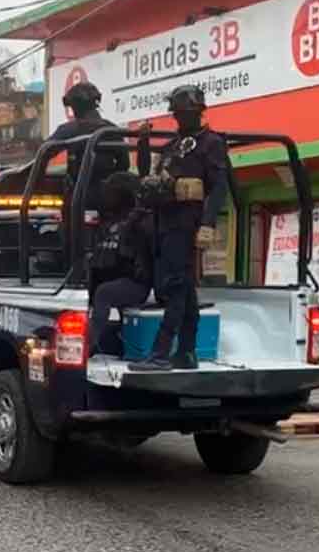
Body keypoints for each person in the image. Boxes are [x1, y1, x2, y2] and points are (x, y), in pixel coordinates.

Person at [129, 85, 230, 371]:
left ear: (198, 112)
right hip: (165, 222)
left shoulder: (211, 143)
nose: (181, 119)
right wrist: (144, 144)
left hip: (186, 224)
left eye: (186, 113)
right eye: (179, 114)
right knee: (184, 291)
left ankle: (161, 353)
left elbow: (219, 186)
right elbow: (148, 175)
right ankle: (186, 352)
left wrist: (208, 223)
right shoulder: (174, 146)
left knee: (176, 289)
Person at [87, 172, 153, 357]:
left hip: (136, 282)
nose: (106, 196)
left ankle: (89, 347)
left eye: (110, 192)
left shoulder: (140, 220)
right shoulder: (109, 220)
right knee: (91, 291)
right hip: (114, 277)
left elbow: (135, 257)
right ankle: (104, 341)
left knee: (103, 293)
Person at [48, 82, 130, 203]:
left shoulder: (69, 129)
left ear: (76, 107)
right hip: (111, 200)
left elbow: (45, 152)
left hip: (79, 200)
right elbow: (124, 164)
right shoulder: (112, 129)